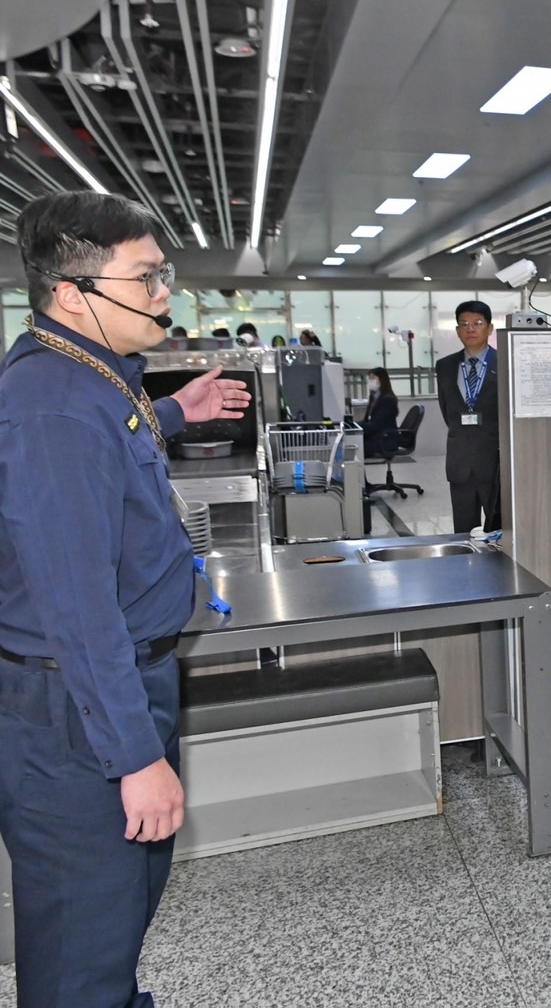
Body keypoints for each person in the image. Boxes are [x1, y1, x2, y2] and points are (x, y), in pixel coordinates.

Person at [0, 190, 252, 1007]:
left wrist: (179, 410)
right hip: (76, 714)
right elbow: (75, 605)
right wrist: (134, 756)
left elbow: (119, 437)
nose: (163, 295)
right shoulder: (55, 408)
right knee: (85, 943)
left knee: (117, 918)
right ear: (72, 293)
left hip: (113, 691)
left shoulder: (91, 377)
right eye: (144, 279)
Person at [435, 299, 502, 533]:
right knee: (463, 533)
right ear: (457, 331)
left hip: (495, 462)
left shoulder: (505, 362)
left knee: (500, 531)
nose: (470, 329)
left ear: (490, 328)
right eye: (464, 324)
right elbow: (448, 412)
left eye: (477, 323)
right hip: (459, 461)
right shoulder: (444, 366)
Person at [361, 367, 400, 457]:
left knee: (355, 448)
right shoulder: (373, 397)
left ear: (382, 379)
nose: (369, 381)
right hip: (376, 436)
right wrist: (353, 425)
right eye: (369, 378)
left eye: (372, 378)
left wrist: (357, 426)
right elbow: (367, 420)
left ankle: (358, 471)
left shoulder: (388, 400)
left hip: (385, 439)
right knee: (353, 444)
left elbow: (375, 425)